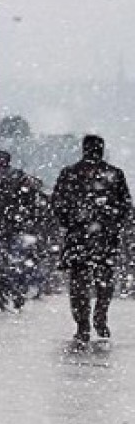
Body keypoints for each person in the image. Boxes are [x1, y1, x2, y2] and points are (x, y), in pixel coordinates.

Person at [51, 134, 132, 346]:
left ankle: (87, 323)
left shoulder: (71, 174)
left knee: (84, 284)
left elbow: (57, 203)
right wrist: (110, 221)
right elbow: (124, 206)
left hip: (87, 236)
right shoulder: (110, 174)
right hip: (98, 237)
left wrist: (73, 219)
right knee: (97, 282)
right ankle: (92, 320)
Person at [0, 150, 46, 312]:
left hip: (10, 227)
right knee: (9, 264)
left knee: (8, 263)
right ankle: (10, 295)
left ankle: (9, 295)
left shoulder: (1, 179)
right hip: (9, 227)